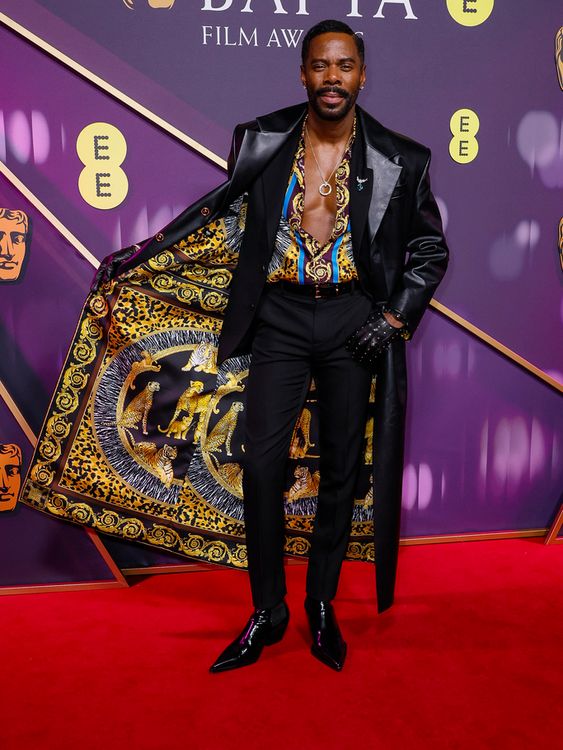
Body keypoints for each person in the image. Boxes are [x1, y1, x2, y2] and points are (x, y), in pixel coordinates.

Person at [93, 19, 448, 673]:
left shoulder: (403, 158)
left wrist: (393, 319)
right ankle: (267, 609)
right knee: (261, 467)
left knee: (343, 470)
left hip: (352, 322)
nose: (332, 78)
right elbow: (216, 220)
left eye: (344, 66)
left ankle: (318, 602)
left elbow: (428, 249)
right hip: (280, 319)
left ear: (361, 75)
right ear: (303, 73)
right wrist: (137, 263)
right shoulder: (258, 139)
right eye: (320, 65)